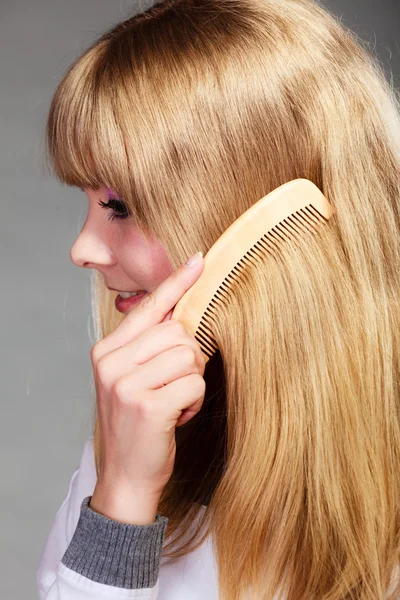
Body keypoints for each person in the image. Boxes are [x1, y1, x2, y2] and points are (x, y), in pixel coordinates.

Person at [36, 0, 400, 598]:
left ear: (259, 224)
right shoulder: (135, 443)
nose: (84, 249)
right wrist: (122, 502)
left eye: (121, 206)